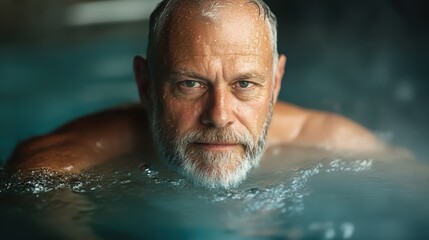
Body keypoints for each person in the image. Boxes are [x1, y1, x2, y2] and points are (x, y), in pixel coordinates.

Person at [7, 0, 389, 189]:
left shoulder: (335, 143)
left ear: (275, 83)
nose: (219, 114)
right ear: (145, 85)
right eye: (190, 84)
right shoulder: (61, 171)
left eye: (244, 84)